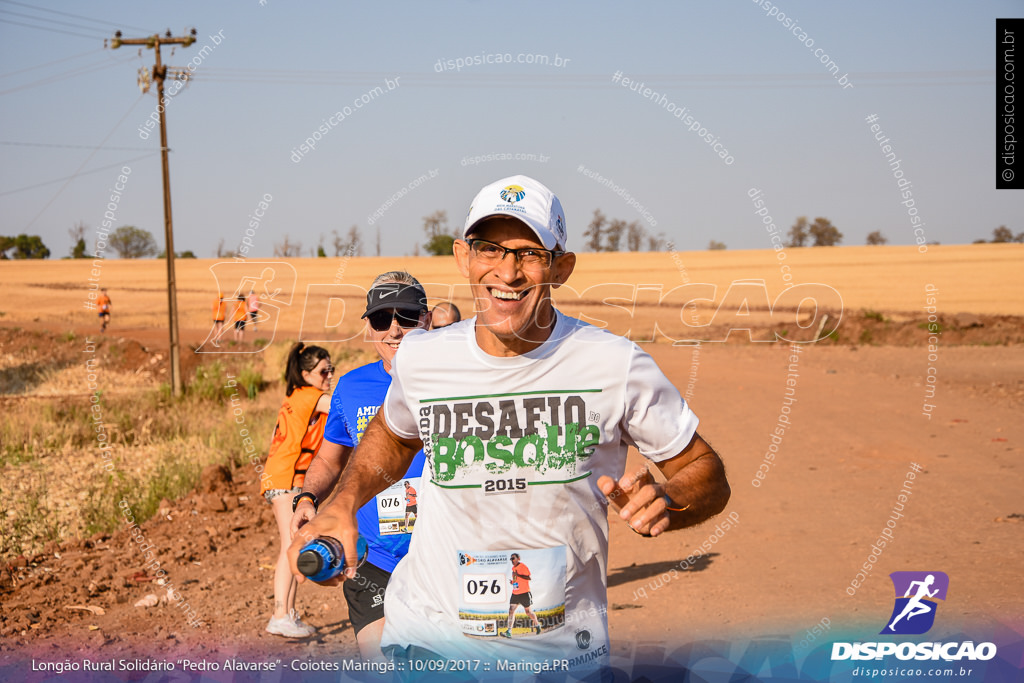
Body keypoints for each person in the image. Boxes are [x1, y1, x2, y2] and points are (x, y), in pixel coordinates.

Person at [289, 175, 731, 672]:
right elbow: (394, 435)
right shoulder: (424, 357)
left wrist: (671, 500)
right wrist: (343, 504)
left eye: (530, 253)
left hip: (561, 654)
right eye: (489, 249)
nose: (508, 271)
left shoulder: (613, 364)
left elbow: (704, 469)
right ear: (463, 257)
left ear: (561, 267)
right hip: (429, 640)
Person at [291, 272, 430, 659]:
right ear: (368, 328)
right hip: (374, 558)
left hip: (444, 554)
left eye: (407, 315)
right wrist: (306, 498)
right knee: (383, 664)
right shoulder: (350, 387)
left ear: (428, 320)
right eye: (383, 319)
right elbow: (330, 459)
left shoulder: (456, 381)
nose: (395, 329)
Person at [262, 343, 333, 638]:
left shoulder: (297, 395)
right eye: (323, 371)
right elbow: (341, 405)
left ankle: (287, 614)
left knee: (295, 545)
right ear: (305, 374)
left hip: (281, 475)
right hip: (287, 478)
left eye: (331, 369)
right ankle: (280, 614)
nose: (329, 375)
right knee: (289, 547)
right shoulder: (312, 397)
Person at [502, 553, 540, 638]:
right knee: (511, 610)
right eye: (511, 559)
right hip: (515, 593)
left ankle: (537, 625)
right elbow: (517, 580)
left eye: (513, 558)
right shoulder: (513, 568)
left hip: (524, 593)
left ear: (518, 558)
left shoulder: (523, 566)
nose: (512, 560)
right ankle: (509, 631)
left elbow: (528, 578)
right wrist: (513, 582)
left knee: (528, 612)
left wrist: (518, 575)